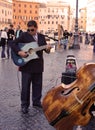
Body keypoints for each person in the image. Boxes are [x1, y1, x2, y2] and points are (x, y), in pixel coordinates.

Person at [9, 20, 51, 114]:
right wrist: (19, 52)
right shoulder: (24, 35)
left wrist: (48, 49)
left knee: (38, 85)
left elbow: (45, 51)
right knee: (25, 87)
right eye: (28, 30)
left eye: (32, 29)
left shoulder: (41, 37)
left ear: (36, 28)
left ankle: (36, 102)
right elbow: (12, 43)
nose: (30, 32)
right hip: (27, 66)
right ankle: (24, 105)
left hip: (38, 65)